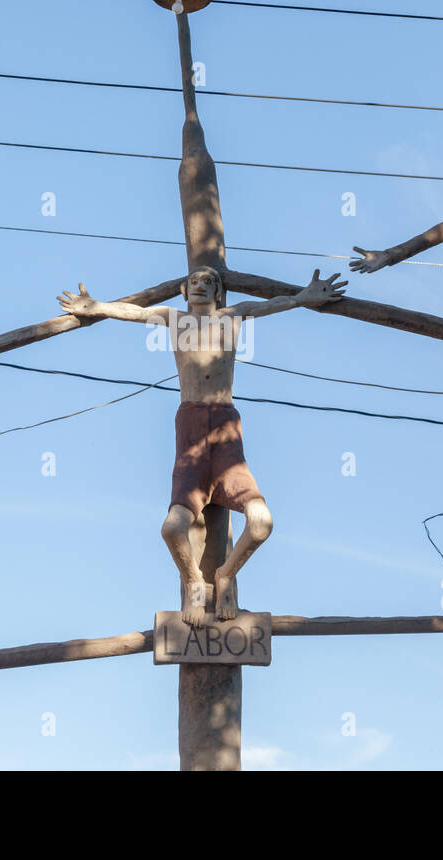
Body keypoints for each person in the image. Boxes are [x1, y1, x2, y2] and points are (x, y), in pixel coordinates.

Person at [58, 266, 346, 625]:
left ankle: (225, 575)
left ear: (219, 292)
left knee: (261, 523)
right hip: (191, 426)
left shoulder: (232, 316)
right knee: (173, 528)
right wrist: (96, 306)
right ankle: (195, 583)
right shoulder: (173, 319)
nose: (200, 285)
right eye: (194, 281)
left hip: (226, 427)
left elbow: (273, 305)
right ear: (183, 290)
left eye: (209, 281)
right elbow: (135, 311)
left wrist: (305, 297)